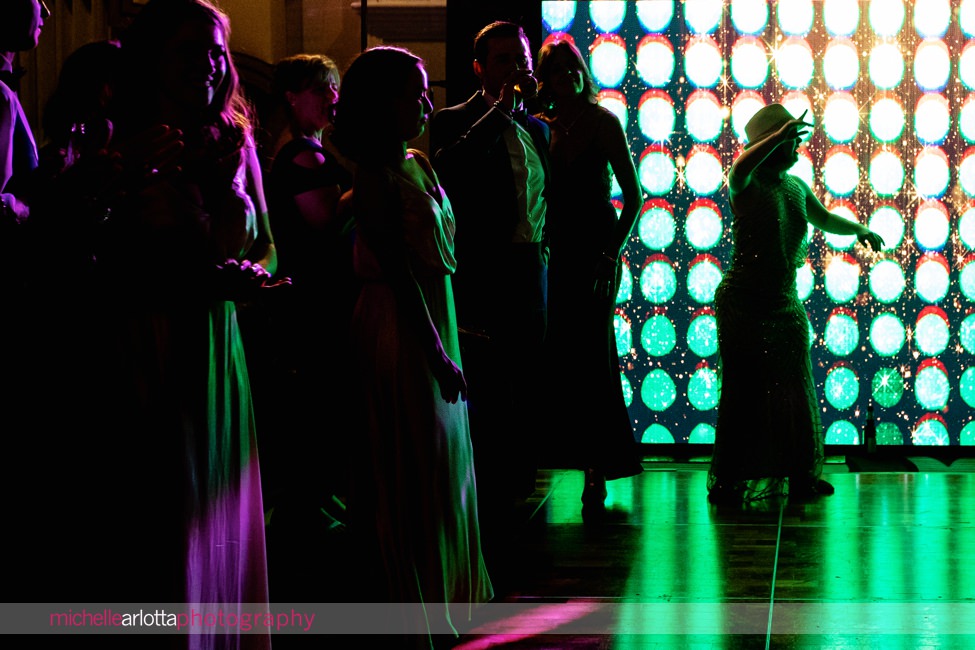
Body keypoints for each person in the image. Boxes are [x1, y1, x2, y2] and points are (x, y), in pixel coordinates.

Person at [32, 2, 281, 646]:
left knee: (214, 513)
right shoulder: (113, 135)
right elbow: (66, 245)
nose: (209, 63)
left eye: (217, 51)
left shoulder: (235, 137)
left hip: (217, 346)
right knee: (160, 520)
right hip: (145, 341)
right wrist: (117, 178)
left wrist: (248, 272)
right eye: (190, 49)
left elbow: (268, 244)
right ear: (152, 59)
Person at [332, 45, 493, 645]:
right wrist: (436, 353)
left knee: (440, 464)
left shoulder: (419, 162)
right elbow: (399, 274)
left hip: (434, 316)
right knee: (410, 463)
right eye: (415, 92)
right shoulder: (373, 176)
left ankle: (447, 594)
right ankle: (411, 604)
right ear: (381, 103)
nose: (426, 103)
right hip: (401, 327)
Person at [707, 103, 885, 505]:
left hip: (785, 303)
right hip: (744, 305)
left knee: (793, 391)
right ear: (769, 145)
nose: (797, 148)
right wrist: (776, 134)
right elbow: (736, 170)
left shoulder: (795, 186)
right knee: (746, 393)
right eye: (790, 140)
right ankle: (733, 477)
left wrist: (858, 228)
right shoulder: (746, 185)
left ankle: (800, 472)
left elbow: (823, 218)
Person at [430, 20, 551, 530]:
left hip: (531, 263)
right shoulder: (453, 119)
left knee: (527, 368)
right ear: (479, 67)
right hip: (484, 267)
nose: (514, 69)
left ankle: (520, 478)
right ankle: (485, 484)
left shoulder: (540, 127)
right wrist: (495, 116)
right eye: (502, 60)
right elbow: (445, 170)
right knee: (486, 376)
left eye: (519, 58)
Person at [534, 37, 644, 519]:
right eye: (557, 70)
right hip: (557, 251)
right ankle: (571, 457)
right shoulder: (540, 127)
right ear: (546, 79)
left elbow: (634, 197)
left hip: (597, 250)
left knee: (595, 355)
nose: (568, 76)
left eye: (572, 67)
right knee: (562, 355)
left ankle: (598, 470)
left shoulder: (603, 122)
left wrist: (610, 253)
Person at [259, 52, 355, 531]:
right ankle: (310, 500)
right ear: (293, 97)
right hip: (314, 298)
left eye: (333, 87)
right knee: (321, 400)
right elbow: (326, 224)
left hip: (315, 295)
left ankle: (318, 495)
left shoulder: (309, 148)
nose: (332, 97)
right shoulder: (303, 154)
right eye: (321, 89)